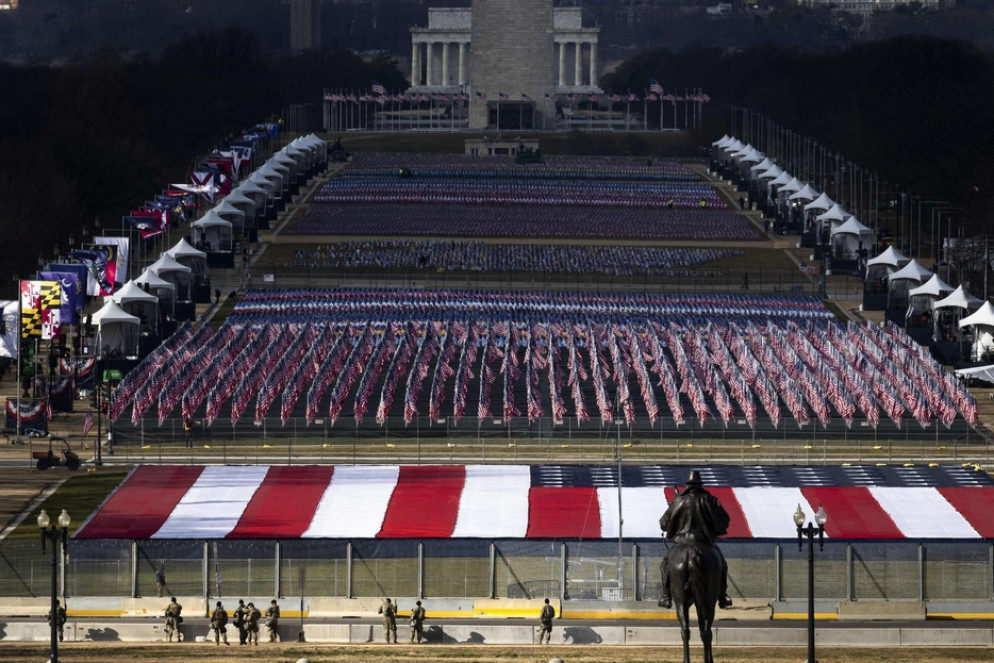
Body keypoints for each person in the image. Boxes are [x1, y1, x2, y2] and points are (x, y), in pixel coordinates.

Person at [658, 470, 733, 610]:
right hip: (704, 542)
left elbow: (663, 523)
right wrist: (715, 529)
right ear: (700, 485)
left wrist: (673, 510)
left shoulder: (678, 501)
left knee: (665, 565)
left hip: (682, 542)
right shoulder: (710, 500)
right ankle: (722, 596)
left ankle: (666, 597)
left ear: (688, 485)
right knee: (722, 564)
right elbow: (725, 521)